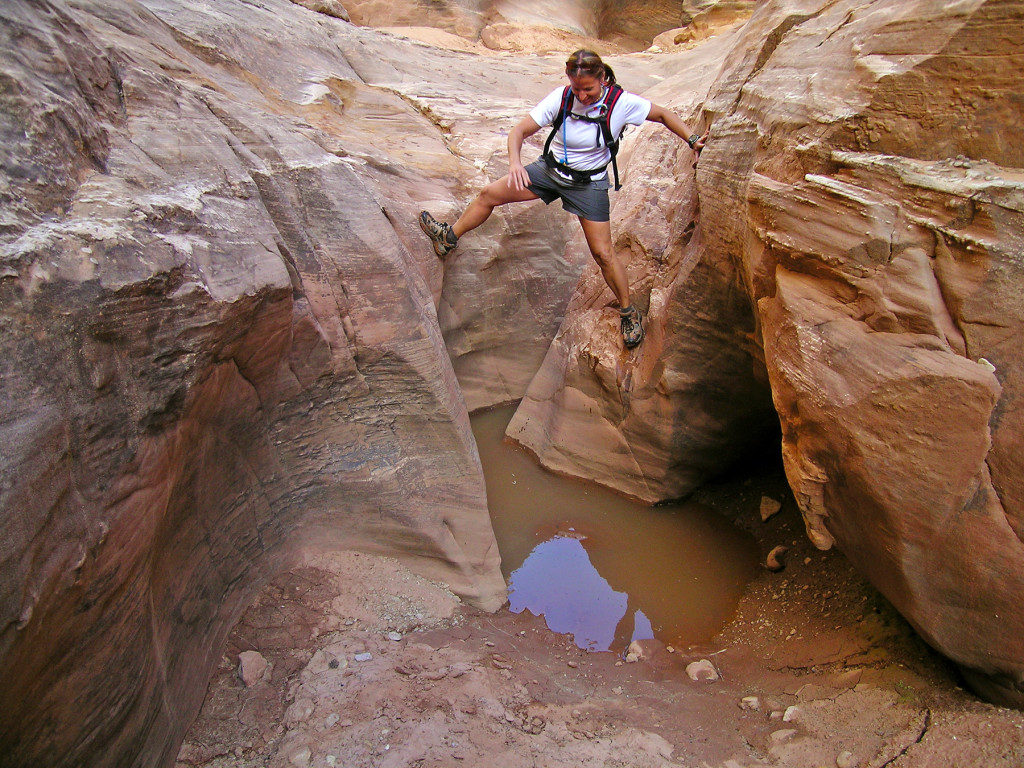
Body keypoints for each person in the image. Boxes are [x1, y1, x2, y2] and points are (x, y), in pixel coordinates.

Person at [419, 49, 707, 349]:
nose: (582, 96)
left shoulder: (621, 103)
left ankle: (628, 311)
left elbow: (661, 114)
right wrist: (516, 163)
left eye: (589, 89)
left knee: (604, 254)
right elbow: (519, 130)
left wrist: (691, 139)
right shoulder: (562, 97)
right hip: (549, 172)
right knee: (489, 194)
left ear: (603, 79)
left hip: (588, 185)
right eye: (577, 88)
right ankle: (448, 238)